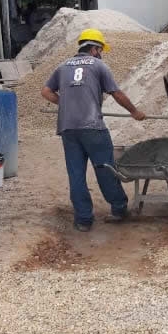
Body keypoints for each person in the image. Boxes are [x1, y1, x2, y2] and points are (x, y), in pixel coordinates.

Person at [41, 28, 146, 231]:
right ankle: (118, 209)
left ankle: (83, 220)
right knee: (105, 168)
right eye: (100, 49)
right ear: (94, 49)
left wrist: (65, 104)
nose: (101, 53)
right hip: (93, 127)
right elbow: (116, 93)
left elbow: (45, 92)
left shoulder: (62, 66)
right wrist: (134, 111)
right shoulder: (98, 66)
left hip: (68, 128)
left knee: (76, 174)